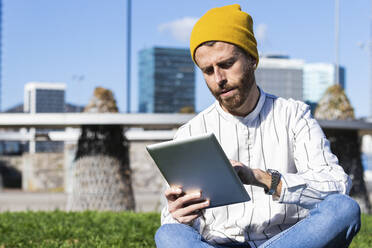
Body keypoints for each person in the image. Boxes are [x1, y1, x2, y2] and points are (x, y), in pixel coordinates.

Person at [155, 4, 361, 248]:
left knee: (344, 209)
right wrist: (177, 214)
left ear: (252, 58)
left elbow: (337, 185)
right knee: (168, 235)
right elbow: (174, 222)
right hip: (221, 243)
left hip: (291, 241)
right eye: (208, 71)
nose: (219, 79)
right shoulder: (190, 133)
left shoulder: (293, 115)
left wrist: (262, 178)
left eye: (227, 64)